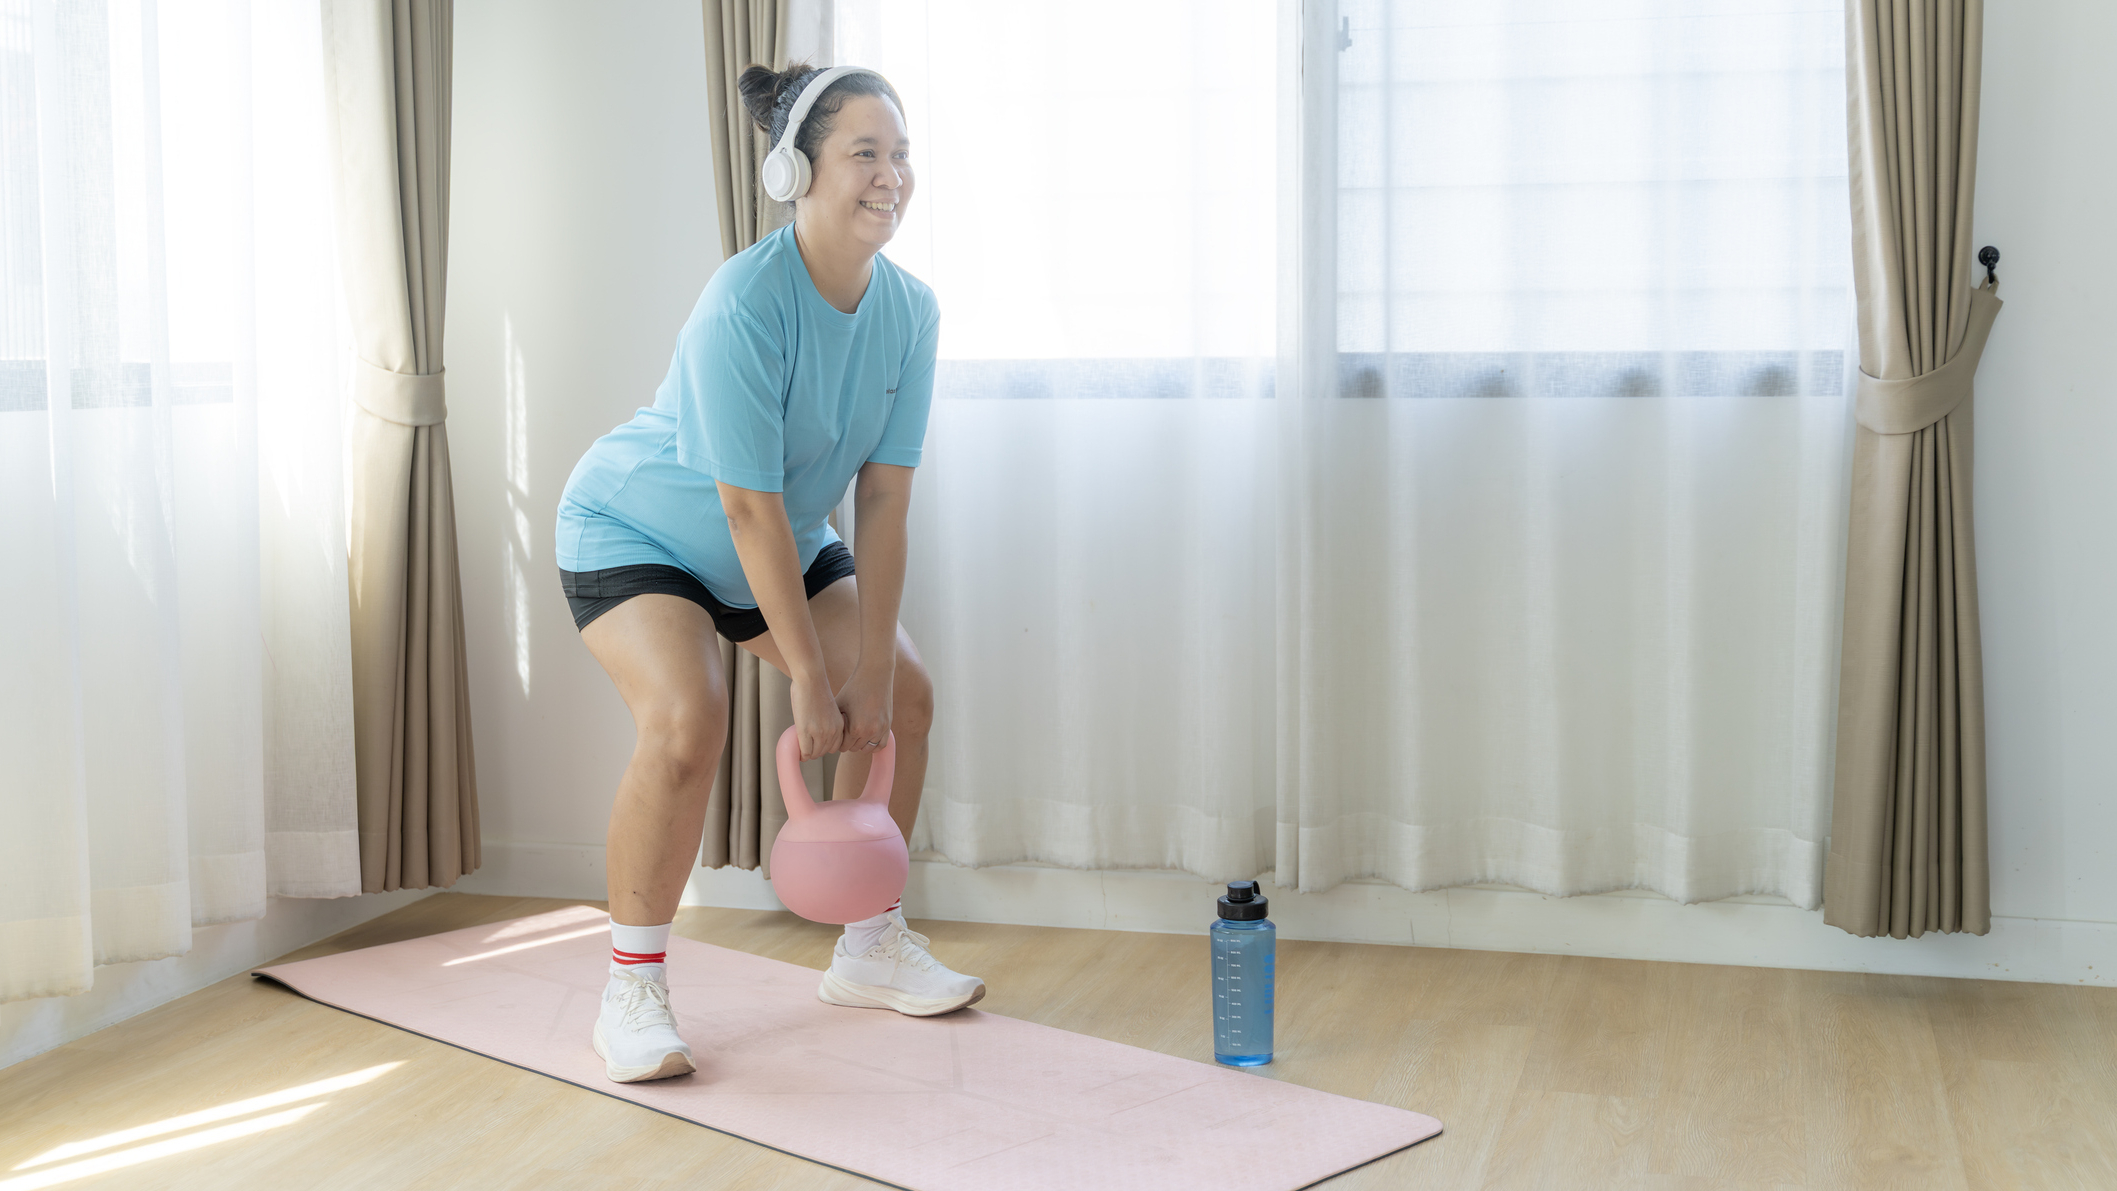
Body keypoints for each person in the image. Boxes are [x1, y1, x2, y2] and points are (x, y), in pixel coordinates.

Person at [554, 62, 980, 1085]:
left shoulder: (910, 313)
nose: (892, 175)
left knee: (906, 699)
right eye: (864, 153)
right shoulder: (744, 301)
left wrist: (867, 673)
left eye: (901, 153)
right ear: (796, 169)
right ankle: (632, 989)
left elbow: (879, 500)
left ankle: (869, 947)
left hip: (777, 532)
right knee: (688, 722)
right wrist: (805, 674)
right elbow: (738, 505)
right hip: (638, 527)